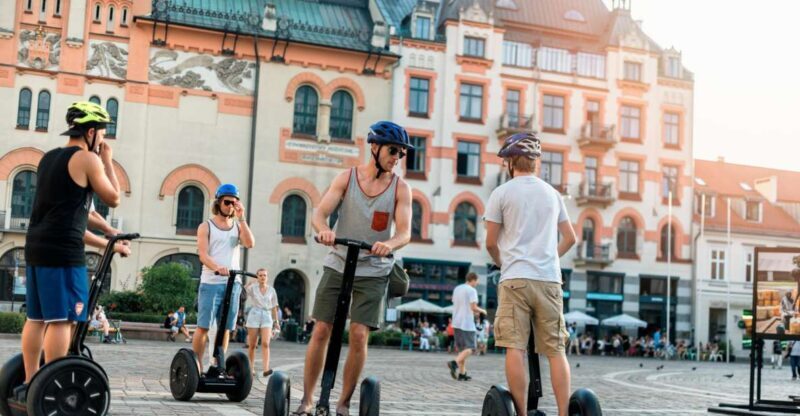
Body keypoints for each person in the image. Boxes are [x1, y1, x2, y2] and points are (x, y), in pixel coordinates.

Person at [293, 121, 412, 416]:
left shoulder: (401, 189)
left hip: (374, 269)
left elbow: (405, 232)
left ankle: (344, 403)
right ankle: (307, 400)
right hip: (338, 263)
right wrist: (324, 231)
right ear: (375, 147)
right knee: (322, 328)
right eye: (393, 151)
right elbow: (320, 214)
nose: (397, 157)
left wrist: (391, 244)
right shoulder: (347, 178)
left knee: (359, 333)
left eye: (401, 153)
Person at [17, 101, 124, 404]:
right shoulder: (87, 159)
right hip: (63, 252)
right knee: (64, 319)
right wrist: (108, 161)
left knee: (37, 318)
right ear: (90, 132)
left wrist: (110, 239)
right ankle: (52, 384)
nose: (103, 140)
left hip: (36, 246)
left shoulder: (49, 159)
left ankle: (31, 383)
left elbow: (75, 213)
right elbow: (113, 198)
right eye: (102, 133)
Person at [484, 132, 577, 416]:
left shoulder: (501, 193)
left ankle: (521, 414)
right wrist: (548, 258)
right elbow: (570, 238)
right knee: (555, 350)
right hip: (549, 279)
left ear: (511, 162)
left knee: (516, 348)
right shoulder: (552, 194)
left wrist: (503, 263)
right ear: (536, 162)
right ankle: (563, 413)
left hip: (516, 278)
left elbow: (490, 242)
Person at [193, 183, 255, 370]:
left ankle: (216, 364)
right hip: (211, 282)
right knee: (203, 326)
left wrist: (242, 217)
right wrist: (217, 268)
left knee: (225, 328)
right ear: (218, 202)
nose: (230, 206)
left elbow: (250, 243)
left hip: (233, 283)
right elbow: (203, 255)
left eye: (234, 203)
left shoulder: (237, 227)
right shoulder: (206, 226)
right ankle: (195, 365)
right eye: (227, 202)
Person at [447, 272, 486, 381]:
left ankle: (462, 373)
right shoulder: (472, 290)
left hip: (456, 322)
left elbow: (457, 304)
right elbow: (473, 307)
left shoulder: (457, 288)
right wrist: (483, 311)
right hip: (467, 323)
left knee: (462, 350)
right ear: (473, 279)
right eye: (477, 280)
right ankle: (454, 363)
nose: (478, 283)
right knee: (470, 349)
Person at [245, 268, 280, 377]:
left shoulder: (271, 290)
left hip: (266, 316)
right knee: (253, 344)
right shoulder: (253, 288)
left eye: (264, 275)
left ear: (267, 277)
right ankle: (251, 368)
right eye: (260, 275)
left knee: (266, 343)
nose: (262, 277)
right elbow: (242, 292)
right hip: (254, 315)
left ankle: (266, 369)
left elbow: (274, 307)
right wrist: (250, 282)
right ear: (257, 277)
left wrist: (276, 321)